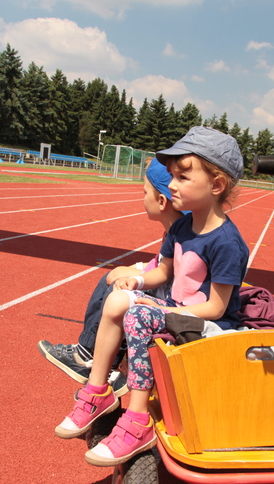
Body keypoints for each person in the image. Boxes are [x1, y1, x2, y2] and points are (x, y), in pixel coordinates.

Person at [54, 126, 249, 467]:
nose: (171, 184)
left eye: (182, 177)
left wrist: (160, 309)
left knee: (139, 316)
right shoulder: (181, 228)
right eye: (172, 176)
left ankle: (138, 419)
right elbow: (164, 273)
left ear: (216, 185)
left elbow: (217, 308)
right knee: (118, 299)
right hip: (178, 311)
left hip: (212, 325)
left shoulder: (227, 242)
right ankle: (97, 392)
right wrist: (138, 282)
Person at [37, 157, 186, 396]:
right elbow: (161, 263)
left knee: (117, 287)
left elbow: (172, 274)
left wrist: (137, 274)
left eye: (144, 191)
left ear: (161, 201)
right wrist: (138, 269)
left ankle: (91, 359)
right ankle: (94, 359)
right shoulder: (175, 229)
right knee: (114, 277)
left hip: (169, 301)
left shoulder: (181, 234)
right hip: (163, 289)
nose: (142, 198)